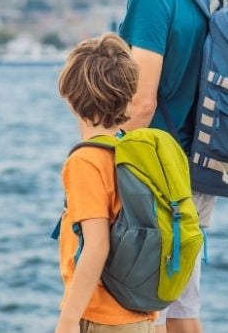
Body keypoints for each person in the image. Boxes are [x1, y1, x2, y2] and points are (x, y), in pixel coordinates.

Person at [112, 0, 216, 333]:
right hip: (200, 167)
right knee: (182, 309)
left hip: (156, 173)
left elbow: (141, 102)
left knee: (142, 313)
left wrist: (106, 161)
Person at [54, 33, 156, 333]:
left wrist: (69, 319)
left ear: (72, 98)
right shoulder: (137, 152)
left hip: (102, 318)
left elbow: (97, 245)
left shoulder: (86, 162)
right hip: (140, 313)